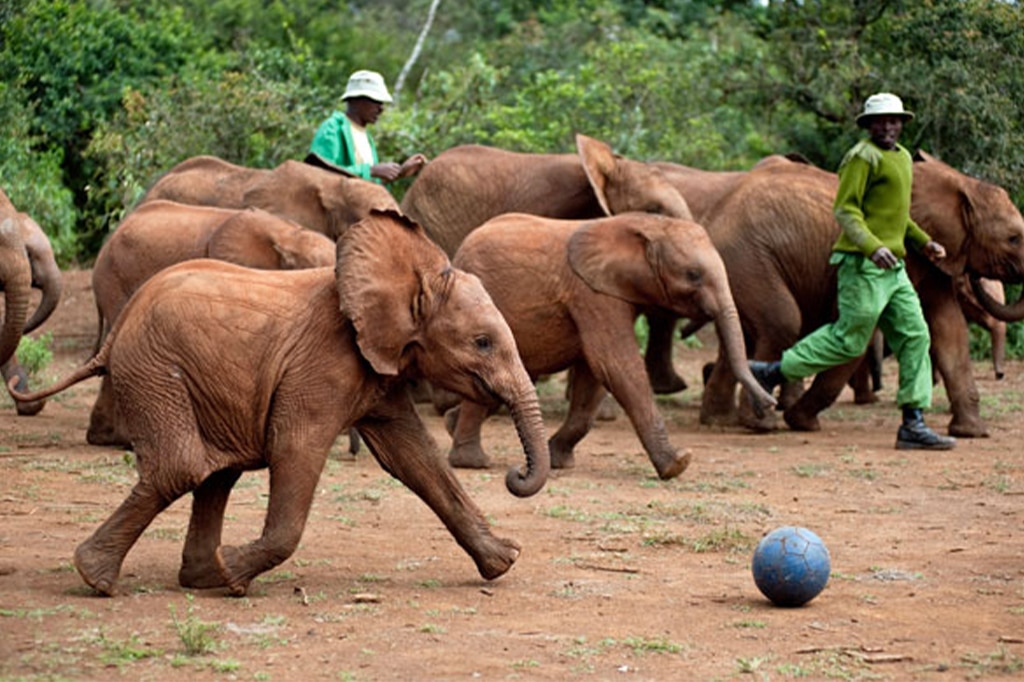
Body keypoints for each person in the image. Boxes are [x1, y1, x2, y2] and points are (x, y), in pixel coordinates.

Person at [749, 92, 955, 451]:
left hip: (895, 268)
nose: (888, 127)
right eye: (880, 121)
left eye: (894, 120)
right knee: (849, 339)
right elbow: (846, 211)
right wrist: (871, 247)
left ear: (902, 123)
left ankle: (913, 422)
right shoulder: (862, 158)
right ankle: (772, 372)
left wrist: (924, 243)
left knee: (916, 335)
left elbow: (896, 215)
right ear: (868, 125)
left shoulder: (904, 158)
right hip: (863, 266)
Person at [306, 70, 427, 183]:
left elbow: (366, 185)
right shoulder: (332, 128)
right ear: (357, 100)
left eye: (382, 103)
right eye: (376, 101)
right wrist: (371, 170)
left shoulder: (366, 137)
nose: (381, 109)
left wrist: (399, 172)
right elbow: (318, 175)